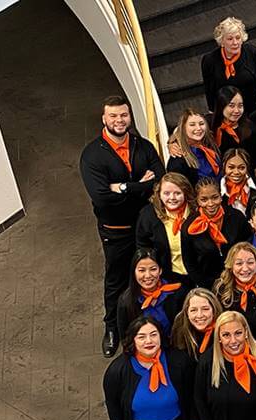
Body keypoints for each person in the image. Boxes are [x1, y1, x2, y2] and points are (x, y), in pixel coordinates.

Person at [80, 95, 162, 356]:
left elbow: (159, 181)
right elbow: (102, 198)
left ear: (130, 116)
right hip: (117, 231)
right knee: (116, 280)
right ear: (104, 119)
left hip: (147, 227)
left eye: (123, 115)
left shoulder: (144, 146)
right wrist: (141, 185)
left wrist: (124, 187)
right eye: (113, 116)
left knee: (154, 273)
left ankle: (155, 321)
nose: (119, 120)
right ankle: (113, 327)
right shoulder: (92, 156)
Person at [170, 288, 230, 420]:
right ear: (186, 312)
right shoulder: (181, 331)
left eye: (205, 309)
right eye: (193, 310)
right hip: (192, 387)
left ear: (214, 309)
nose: (199, 315)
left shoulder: (224, 330)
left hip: (219, 384)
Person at [182, 178, 250, 290]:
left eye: (215, 197)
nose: (210, 204)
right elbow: (189, 263)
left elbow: (248, 247)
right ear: (197, 201)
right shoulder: (189, 226)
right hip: (208, 285)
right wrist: (208, 286)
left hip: (239, 280)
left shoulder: (236, 217)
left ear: (221, 196)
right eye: (204, 199)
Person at [135, 172, 194, 284]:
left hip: (197, 276)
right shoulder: (148, 215)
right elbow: (143, 247)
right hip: (166, 278)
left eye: (177, 193)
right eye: (166, 193)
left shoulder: (196, 213)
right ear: (159, 194)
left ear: (185, 193)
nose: (172, 198)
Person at [116, 248, 187, 341]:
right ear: (134, 272)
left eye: (153, 269)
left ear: (160, 270)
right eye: (142, 270)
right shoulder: (126, 301)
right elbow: (125, 337)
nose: (148, 275)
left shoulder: (177, 293)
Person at [201, 17, 256, 115]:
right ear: (222, 41)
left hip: (253, 109)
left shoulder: (252, 52)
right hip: (226, 112)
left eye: (238, 38)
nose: (235, 43)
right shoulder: (209, 60)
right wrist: (213, 113)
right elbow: (209, 90)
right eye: (230, 39)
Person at [166, 109, 220, 185]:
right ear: (183, 128)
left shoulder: (210, 143)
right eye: (192, 125)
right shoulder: (178, 157)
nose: (198, 128)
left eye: (201, 124)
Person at [217, 149, 256, 217]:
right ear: (224, 166)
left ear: (247, 167)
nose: (236, 172)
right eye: (231, 167)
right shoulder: (217, 189)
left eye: (241, 168)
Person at [211, 86, 256, 153]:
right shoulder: (212, 129)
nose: (237, 110)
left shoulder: (251, 128)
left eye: (240, 106)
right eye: (231, 106)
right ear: (221, 106)